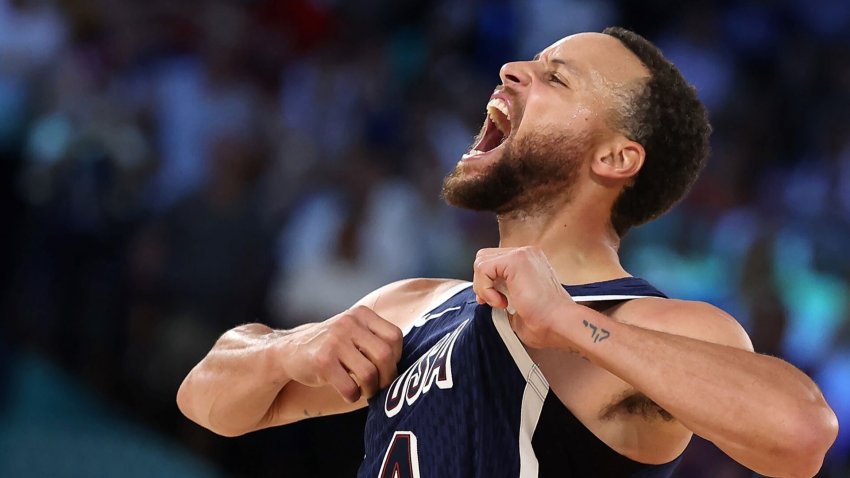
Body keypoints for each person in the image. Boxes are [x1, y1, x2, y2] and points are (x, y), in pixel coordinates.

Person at [176, 27, 838, 477]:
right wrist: (294, 348)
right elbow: (205, 399)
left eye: (556, 77)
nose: (513, 69)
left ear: (615, 157)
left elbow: (802, 433)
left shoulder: (642, 323)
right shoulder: (415, 303)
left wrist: (570, 324)